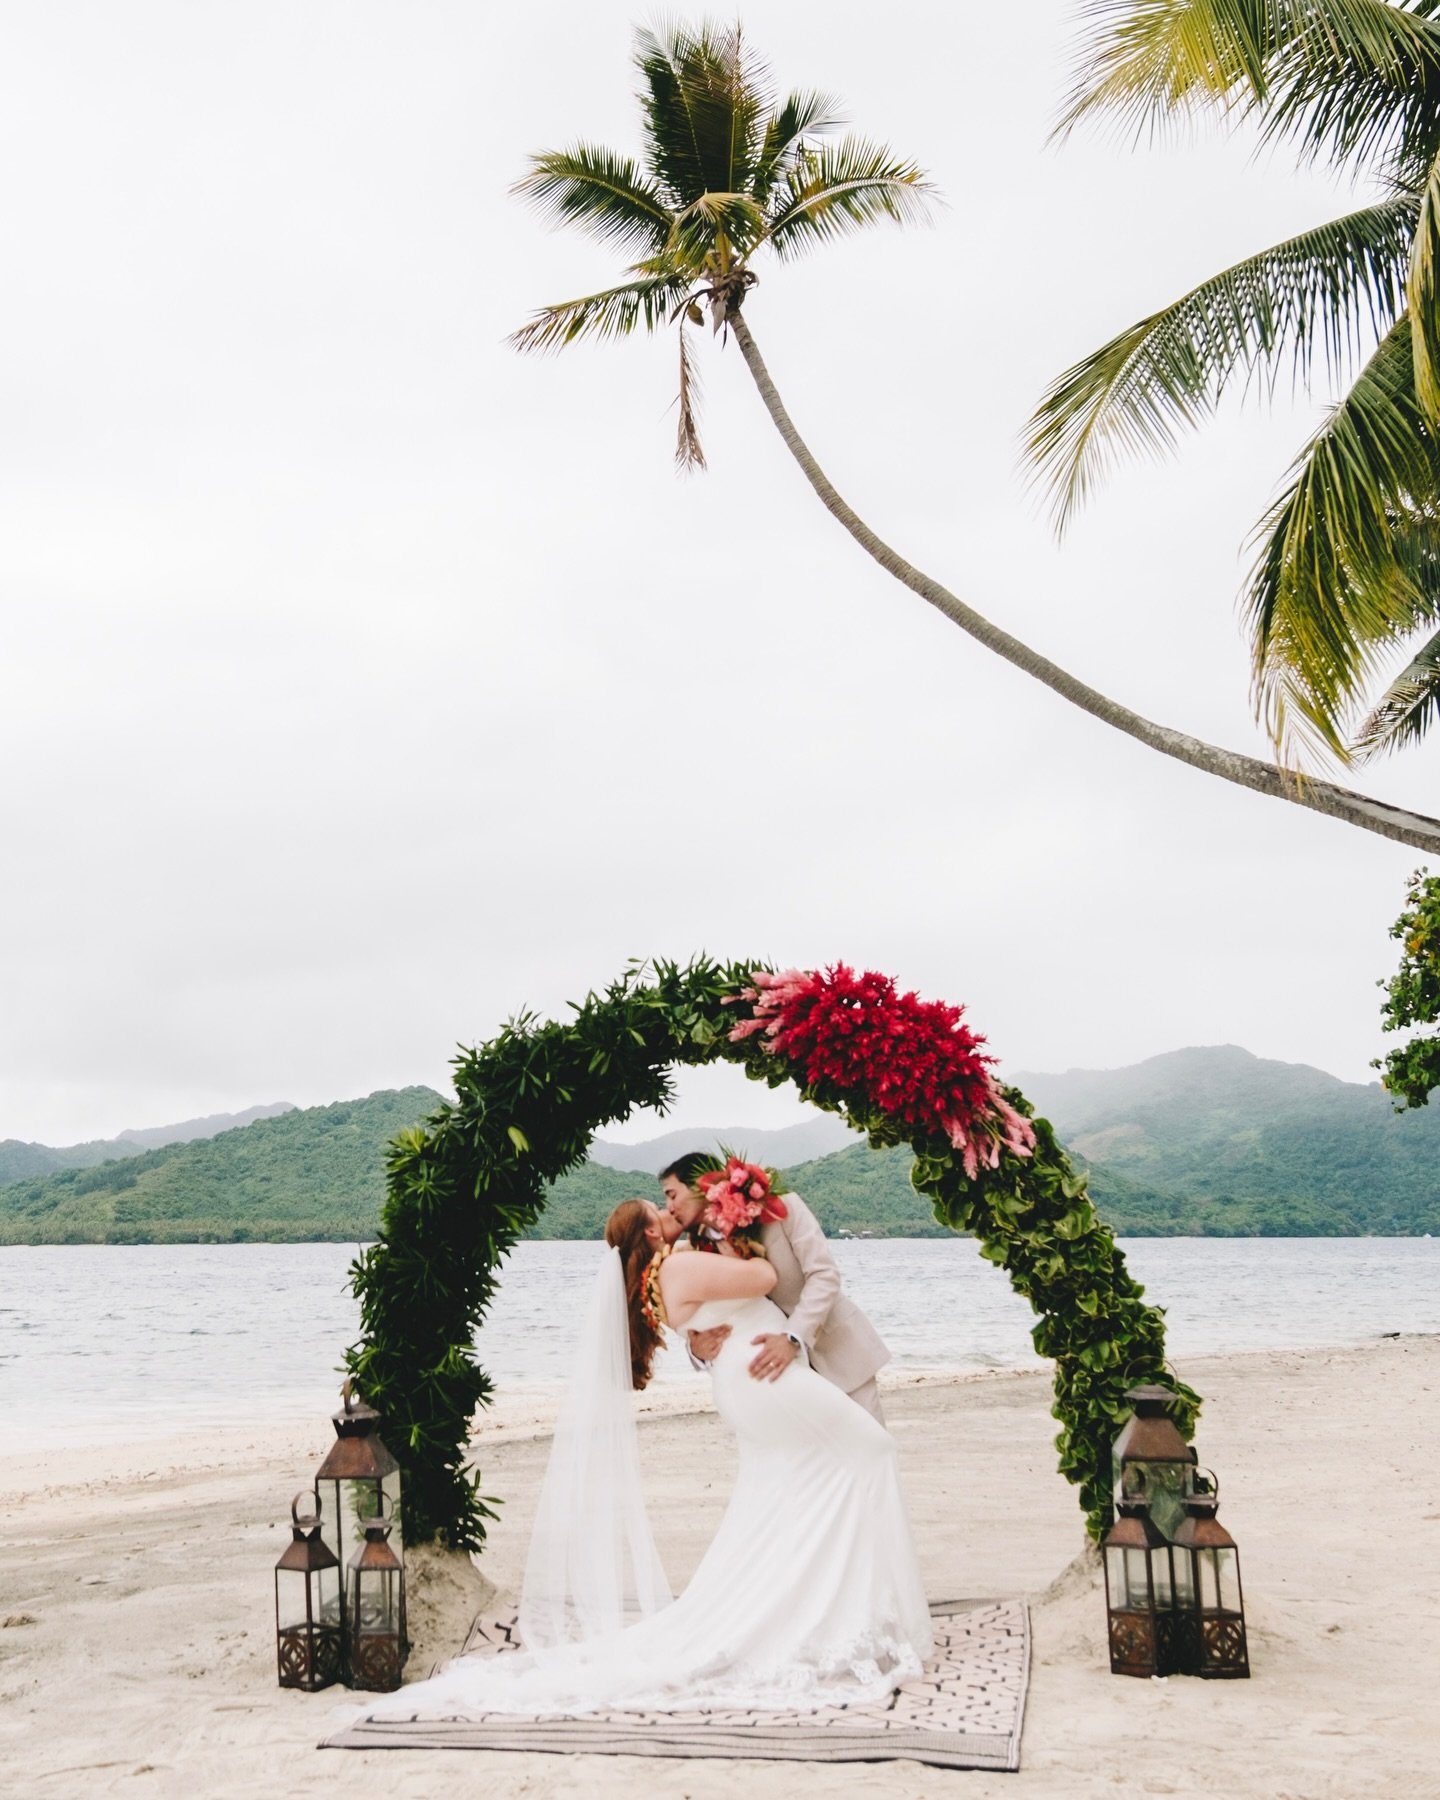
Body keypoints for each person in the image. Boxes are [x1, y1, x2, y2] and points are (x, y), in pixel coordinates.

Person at [358, 1198, 932, 1721]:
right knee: (868, 1451)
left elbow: (710, 1312)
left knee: (794, 1488)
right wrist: (739, 1238)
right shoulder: (677, 1266)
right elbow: (767, 1276)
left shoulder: (659, 1278)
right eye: (657, 1210)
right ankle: (830, 1606)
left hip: (747, 1383)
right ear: (652, 1233)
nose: (667, 1208)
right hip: (766, 1379)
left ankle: (821, 1603)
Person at [659, 1152, 890, 1422]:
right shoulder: (697, 1249)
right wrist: (696, 1349)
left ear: (701, 1184)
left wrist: (793, 1337)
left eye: (672, 1194)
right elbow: (709, 1315)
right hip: (779, 1380)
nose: (668, 1206)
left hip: (838, 1353)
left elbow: (824, 1275)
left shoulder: (780, 1207)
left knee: (868, 1450)